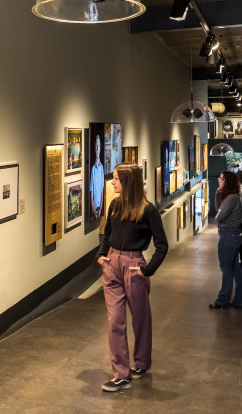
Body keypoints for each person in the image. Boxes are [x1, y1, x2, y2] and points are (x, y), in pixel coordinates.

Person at [97, 163, 168, 392]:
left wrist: (147, 270)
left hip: (134, 266)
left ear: (128, 181)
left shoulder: (148, 210)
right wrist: (101, 255)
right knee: (114, 321)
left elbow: (162, 245)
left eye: (116, 178)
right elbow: (107, 233)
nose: (113, 182)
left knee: (140, 319)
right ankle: (121, 375)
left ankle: (142, 362)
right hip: (112, 264)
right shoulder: (114, 205)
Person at [210, 171, 242, 309]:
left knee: (226, 268)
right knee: (234, 267)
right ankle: (241, 300)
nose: (219, 180)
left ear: (227, 181)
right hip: (234, 235)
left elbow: (218, 217)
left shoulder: (231, 198)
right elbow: (219, 210)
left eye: (221, 178)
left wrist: (218, 214)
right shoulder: (232, 197)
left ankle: (222, 301)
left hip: (228, 236)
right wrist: (217, 194)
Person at [90, 135, 105, 219]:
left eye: (98, 146)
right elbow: (91, 196)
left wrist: (100, 208)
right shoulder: (93, 169)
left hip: (99, 207)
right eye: (96, 146)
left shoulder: (101, 168)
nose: (97, 148)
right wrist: (95, 211)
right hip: (95, 208)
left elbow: (102, 192)